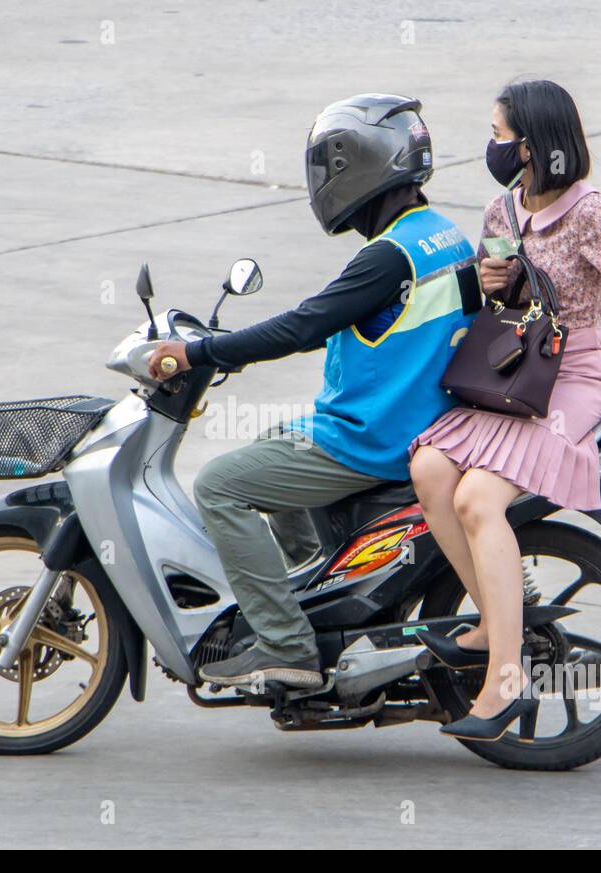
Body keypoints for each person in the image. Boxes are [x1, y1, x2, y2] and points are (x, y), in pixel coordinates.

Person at [147, 93, 480, 690]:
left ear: (363, 166)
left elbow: (302, 325)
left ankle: (285, 645)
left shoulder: (386, 258)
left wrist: (199, 351)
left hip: (371, 438)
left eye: (331, 165)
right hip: (422, 422)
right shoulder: (439, 233)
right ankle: (314, 596)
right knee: (276, 442)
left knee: (221, 484)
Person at [410, 80, 601, 741]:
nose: (492, 145)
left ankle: (505, 676)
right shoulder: (500, 212)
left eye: (500, 134)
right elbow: (494, 307)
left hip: (575, 378)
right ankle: (491, 619)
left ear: (534, 145)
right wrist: (493, 284)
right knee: (429, 470)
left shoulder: (588, 213)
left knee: (478, 498)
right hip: (517, 371)